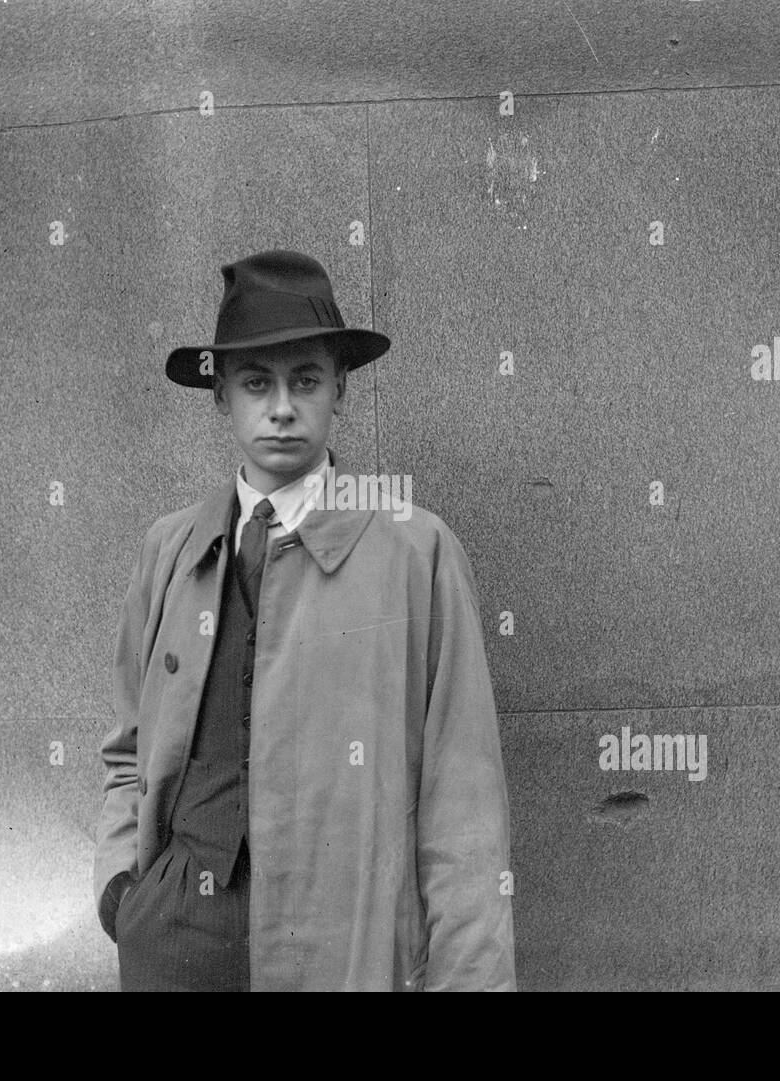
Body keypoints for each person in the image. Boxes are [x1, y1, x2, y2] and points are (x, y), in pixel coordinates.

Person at [94, 249, 515, 991]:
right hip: (174, 945)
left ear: (340, 390)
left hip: (335, 950)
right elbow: (127, 750)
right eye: (257, 383)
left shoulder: (415, 552)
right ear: (220, 395)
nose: (282, 406)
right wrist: (121, 892)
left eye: (306, 380)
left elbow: (464, 808)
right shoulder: (171, 551)